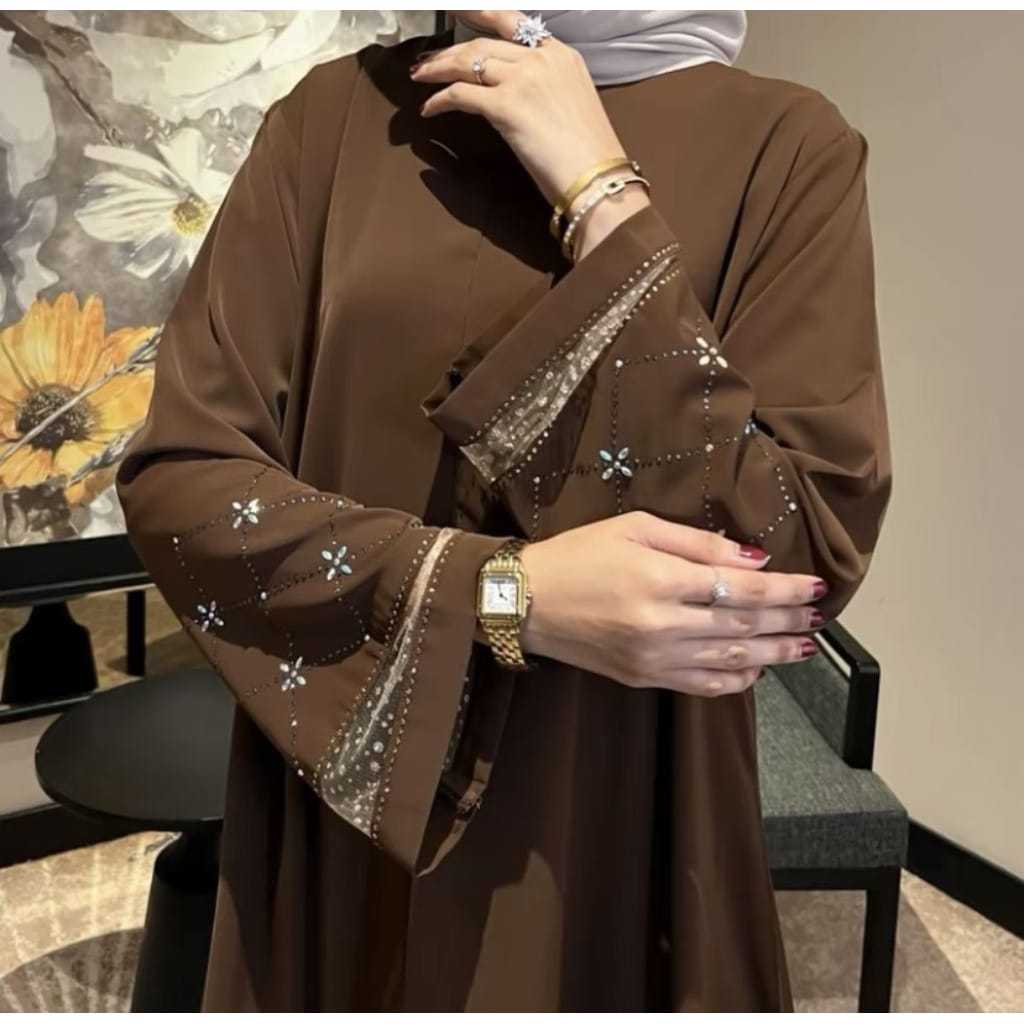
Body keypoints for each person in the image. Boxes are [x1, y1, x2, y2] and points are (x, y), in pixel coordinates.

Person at [114, 9, 892, 1011]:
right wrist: (505, 596)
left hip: (621, 813)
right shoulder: (333, 121)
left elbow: (795, 554)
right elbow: (181, 481)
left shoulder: (787, 149)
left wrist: (600, 194)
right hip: (354, 792)